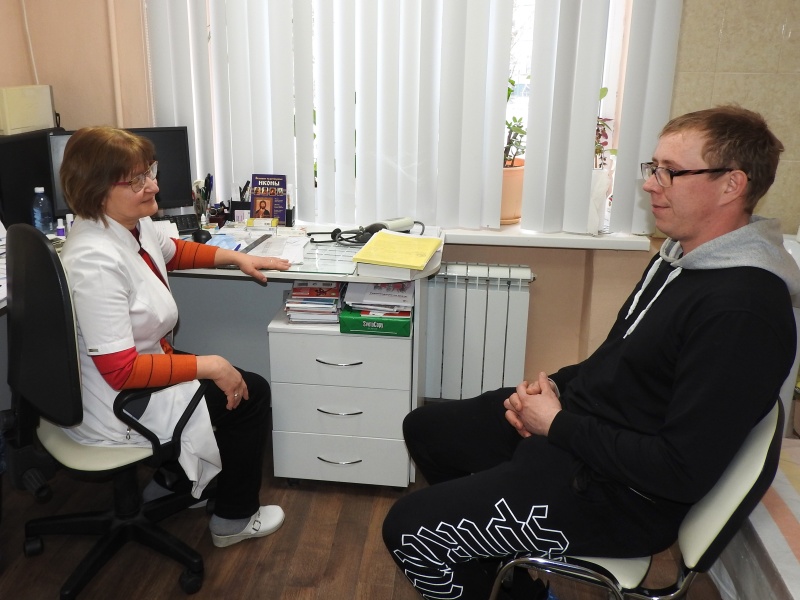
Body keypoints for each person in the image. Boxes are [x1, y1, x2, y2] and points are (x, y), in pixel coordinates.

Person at [383, 105, 800, 599]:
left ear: (732, 184)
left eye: (671, 171)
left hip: (622, 498)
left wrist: (555, 424)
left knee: (409, 531)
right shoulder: (679, 260)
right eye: (653, 167)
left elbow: (680, 471)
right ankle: (504, 573)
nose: (650, 184)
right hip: (585, 439)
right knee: (428, 429)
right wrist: (550, 391)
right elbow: (618, 360)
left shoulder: (742, 312)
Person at [59, 126, 292, 548]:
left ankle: (174, 483)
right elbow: (121, 371)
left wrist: (235, 257)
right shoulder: (94, 261)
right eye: (136, 180)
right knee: (250, 392)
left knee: (221, 376)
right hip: (120, 401)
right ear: (97, 191)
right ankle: (234, 519)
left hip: (137, 367)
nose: (153, 186)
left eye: (149, 171)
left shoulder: (128, 224)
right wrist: (211, 365)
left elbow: (172, 251)